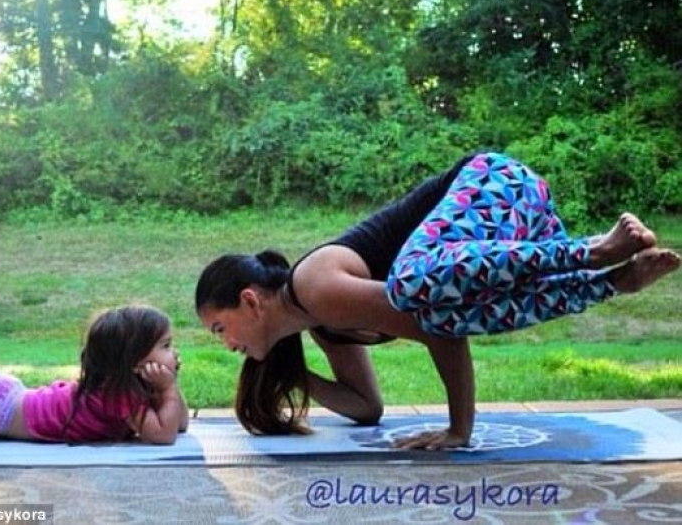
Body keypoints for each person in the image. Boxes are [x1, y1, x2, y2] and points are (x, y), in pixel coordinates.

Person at [195, 151, 680, 450]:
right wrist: (294, 374)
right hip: (510, 237)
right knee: (467, 306)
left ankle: (593, 251)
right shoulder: (322, 323)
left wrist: (458, 429)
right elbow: (366, 407)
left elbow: (436, 332)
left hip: (496, 184)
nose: (226, 344)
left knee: (413, 289)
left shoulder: (317, 287)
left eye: (220, 328)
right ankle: (612, 281)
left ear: (251, 301)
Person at [0, 296, 189, 446]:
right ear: (133, 360)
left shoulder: (124, 387)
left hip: (1, 395)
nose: (174, 352)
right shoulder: (119, 394)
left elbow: (179, 423)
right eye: (166, 345)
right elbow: (163, 435)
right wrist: (168, 389)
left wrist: (167, 387)